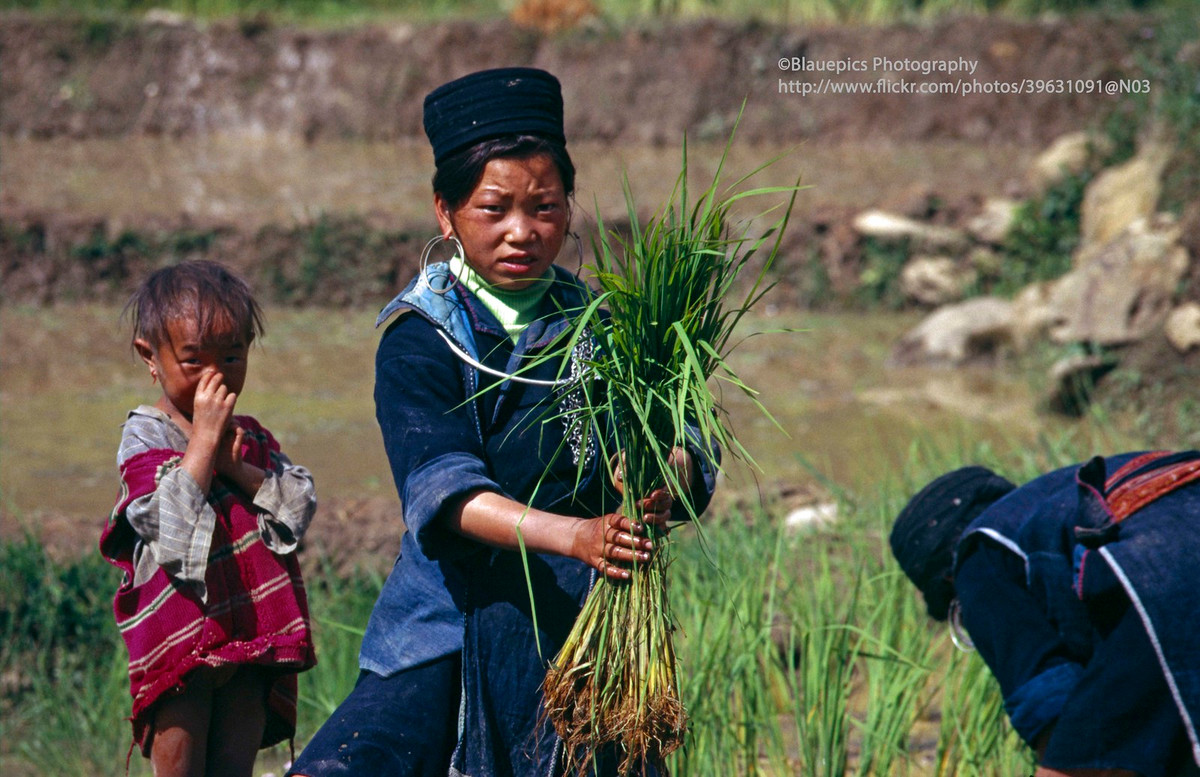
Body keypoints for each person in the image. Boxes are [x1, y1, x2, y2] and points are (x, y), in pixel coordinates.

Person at [289, 67, 717, 777]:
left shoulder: (609, 328)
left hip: (583, 622)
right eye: (495, 208)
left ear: (569, 207)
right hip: (451, 613)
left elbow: (692, 453)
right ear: (445, 212)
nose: (523, 231)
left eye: (544, 207)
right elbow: (444, 491)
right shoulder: (422, 338)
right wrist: (573, 534)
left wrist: (659, 479)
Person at [100, 260, 318, 777]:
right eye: (194, 361)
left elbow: (297, 506)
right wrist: (202, 445)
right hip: (181, 644)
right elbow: (167, 523)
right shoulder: (148, 436)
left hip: (248, 634)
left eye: (232, 356)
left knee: (231, 767)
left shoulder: (250, 437)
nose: (215, 376)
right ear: (150, 357)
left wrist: (234, 466)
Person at [890, 452, 1200, 777]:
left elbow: (1056, 720)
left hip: (1162, 576)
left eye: (960, 614)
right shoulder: (1052, 507)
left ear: (949, 580)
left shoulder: (976, 555)